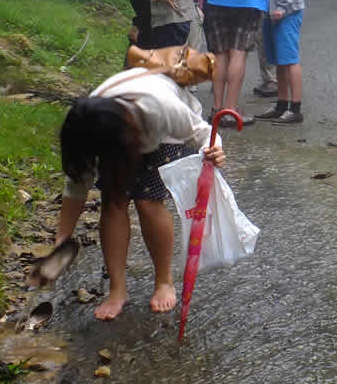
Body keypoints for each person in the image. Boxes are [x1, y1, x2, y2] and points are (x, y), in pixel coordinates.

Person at [54, 67, 225, 320]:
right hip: (119, 134)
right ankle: (117, 290)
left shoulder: (162, 109)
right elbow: (77, 183)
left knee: (148, 202)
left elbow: (203, 133)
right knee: (113, 201)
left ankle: (163, 280)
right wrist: (62, 237)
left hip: (165, 136)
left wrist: (215, 149)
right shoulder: (88, 125)